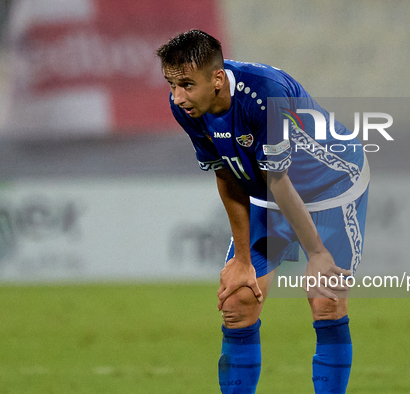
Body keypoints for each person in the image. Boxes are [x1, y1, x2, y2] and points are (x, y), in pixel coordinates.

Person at [156, 29, 369, 394]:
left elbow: (279, 181)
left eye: (187, 85)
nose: (178, 97)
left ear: (217, 79)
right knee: (238, 300)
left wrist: (316, 253)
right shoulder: (188, 107)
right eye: (171, 84)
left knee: (325, 297)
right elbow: (226, 173)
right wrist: (241, 258)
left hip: (332, 187)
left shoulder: (265, 94)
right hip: (270, 192)